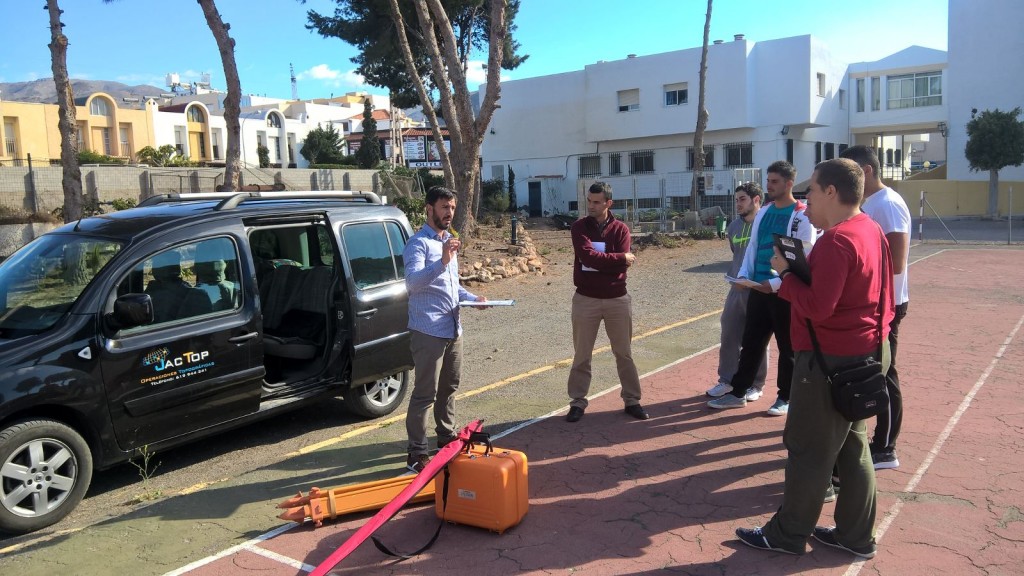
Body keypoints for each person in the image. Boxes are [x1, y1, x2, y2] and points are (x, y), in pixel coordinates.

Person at [734, 158, 895, 559]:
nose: (807, 202)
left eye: (813, 191)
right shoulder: (869, 229)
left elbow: (819, 307)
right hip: (865, 351)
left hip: (829, 360)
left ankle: (787, 534)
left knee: (808, 449)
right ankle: (856, 535)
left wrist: (786, 276)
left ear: (831, 192)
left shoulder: (838, 240)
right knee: (852, 446)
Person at [708, 161, 816, 416]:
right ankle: (738, 393)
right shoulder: (765, 212)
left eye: (775, 181)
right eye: (768, 181)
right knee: (751, 343)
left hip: (784, 292)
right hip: (757, 288)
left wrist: (777, 284)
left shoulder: (801, 216)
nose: (769, 186)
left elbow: (804, 257)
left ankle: (785, 397)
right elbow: (753, 248)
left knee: (787, 347)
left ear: (789, 184)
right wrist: (745, 276)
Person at [402, 186, 487, 473]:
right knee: (425, 393)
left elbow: (452, 288)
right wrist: (442, 262)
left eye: (452, 207)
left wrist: (474, 299)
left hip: (452, 328)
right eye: (444, 207)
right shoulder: (418, 244)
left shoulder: (449, 241)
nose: (449, 212)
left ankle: (446, 437)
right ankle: (416, 452)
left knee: (449, 387)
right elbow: (413, 283)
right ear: (429, 209)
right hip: (428, 331)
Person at [840, 145, 910, 470]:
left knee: (884, 372)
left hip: (889, 303)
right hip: (874, 303)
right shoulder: (870, 203)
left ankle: (885, 448)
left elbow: (897, 262)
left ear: (866, 171)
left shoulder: (888, 204)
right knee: (873, 370)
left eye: (851, 170)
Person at [565, 181, 649, 423]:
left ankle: (632, 400)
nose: (591, 206)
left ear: (608, 203)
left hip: (617, 300)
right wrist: (620, 257)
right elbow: (587, 256)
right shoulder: (579, 227)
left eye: (596, 202)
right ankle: (577, 402)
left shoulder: (621, 229)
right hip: (585, 300)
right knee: (582, 355)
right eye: (589, 201)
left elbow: (618, 267)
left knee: (624, 353)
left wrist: (610, 261)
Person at [706, 183, 769, 402]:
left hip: (758, 290)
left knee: (757, 338)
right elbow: (736, 254)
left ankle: (756, 384)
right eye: (736, 200)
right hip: (736, 289)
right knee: (729, 333)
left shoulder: (765, 225)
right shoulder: (733, 227)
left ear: (756, 199)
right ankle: (727, 380)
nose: (738, 204)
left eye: (742, 199)